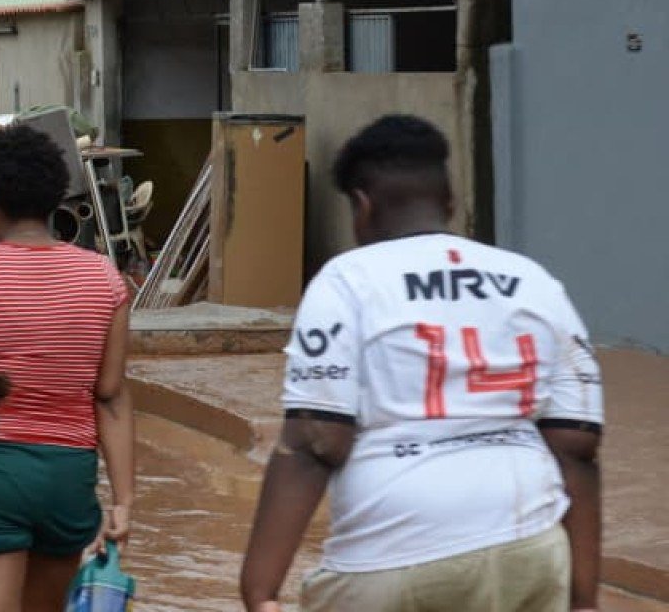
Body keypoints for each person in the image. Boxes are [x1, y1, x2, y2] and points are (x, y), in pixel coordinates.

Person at [239, 115, 605, 612]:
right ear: (450, 202)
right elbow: (577, 444)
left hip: (393, 552)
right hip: (530, 543)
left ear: (362, 205)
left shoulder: (347, 280)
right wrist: (582, 598)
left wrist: (259, 589)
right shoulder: (534, 281)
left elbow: (316, 439)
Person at [0, 124, 134, 612]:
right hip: (66, 479)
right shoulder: (104, 279)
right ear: (56, 201)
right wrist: (124, 501)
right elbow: (109, 395)